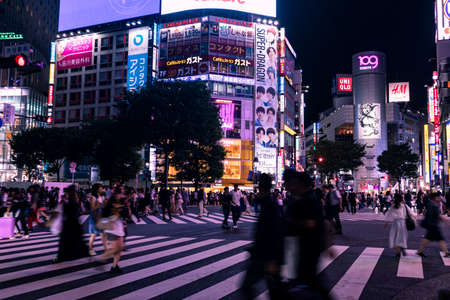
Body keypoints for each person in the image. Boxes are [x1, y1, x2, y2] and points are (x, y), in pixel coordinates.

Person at [283, 170, 329, 299]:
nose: (292, 186)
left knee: (310, 281)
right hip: (306, 246)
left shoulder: (309, 199)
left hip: (307, 246)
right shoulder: (304, 198)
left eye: (295, 183)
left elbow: (312, 223)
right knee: (310, 280)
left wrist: (291, 221)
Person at [241, 174, 284, 299]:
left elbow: (275, 232)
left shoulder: (270, 205)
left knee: (248, 286)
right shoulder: (268, 203)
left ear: (261, 187)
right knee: (274, 290)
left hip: (266, 255)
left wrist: (274, 260)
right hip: (264, 253)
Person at [54, 185, 89, 263]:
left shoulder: (70, 200)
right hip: (74, 224)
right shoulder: (74, 199)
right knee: (76, 242)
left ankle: (61, 257)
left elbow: (68, 212)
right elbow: (76, 211)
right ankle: (62, 257)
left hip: (69, 225)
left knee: (66, 242)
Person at [97, 192, 125, 274]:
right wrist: (117, 211)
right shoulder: (113, 207)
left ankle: (114, 266)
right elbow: (111, 218)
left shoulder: (118, 206)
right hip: (112, 231)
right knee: (116, 249)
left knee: (119, 249)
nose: (121, 195)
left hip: (118, 230)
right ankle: (101, 258)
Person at [417, 193, 450, 258]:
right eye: (439, 197)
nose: (440, 198)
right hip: (433, 226)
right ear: (435, 198)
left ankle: (419, 251)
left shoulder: (430, 204)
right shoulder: (433, 205)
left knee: (429, 239)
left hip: (432, 225)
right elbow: (438, 215)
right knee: (438, 239)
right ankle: (446, 252)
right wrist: (446, 221)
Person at [87, 184, 107, 256]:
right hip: (95, 217)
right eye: (101, 187)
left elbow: (102, 206)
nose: (102, 189)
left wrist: (104, 203)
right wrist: (100, 204)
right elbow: (92, 208)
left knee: (103, 234)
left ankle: (106, 250)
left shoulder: (100, 196)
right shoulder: (93, 197)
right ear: (97, 189)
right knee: (94, 234)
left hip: (100, 217)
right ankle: (90, 249)